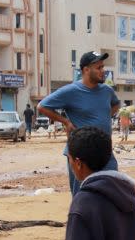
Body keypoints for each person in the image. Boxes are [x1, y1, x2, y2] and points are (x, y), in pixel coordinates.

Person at [38, 51, 121, 195]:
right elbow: (42, 106)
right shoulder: (71, 91)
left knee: (111, 193)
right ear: (86, 70)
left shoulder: (107, 91)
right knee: (83, 195)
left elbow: (116, 104)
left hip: (105, 152)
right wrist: (66, 122)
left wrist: (103, 117)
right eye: (99, 68)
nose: (103, 71)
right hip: (81, 155)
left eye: (103, 67)